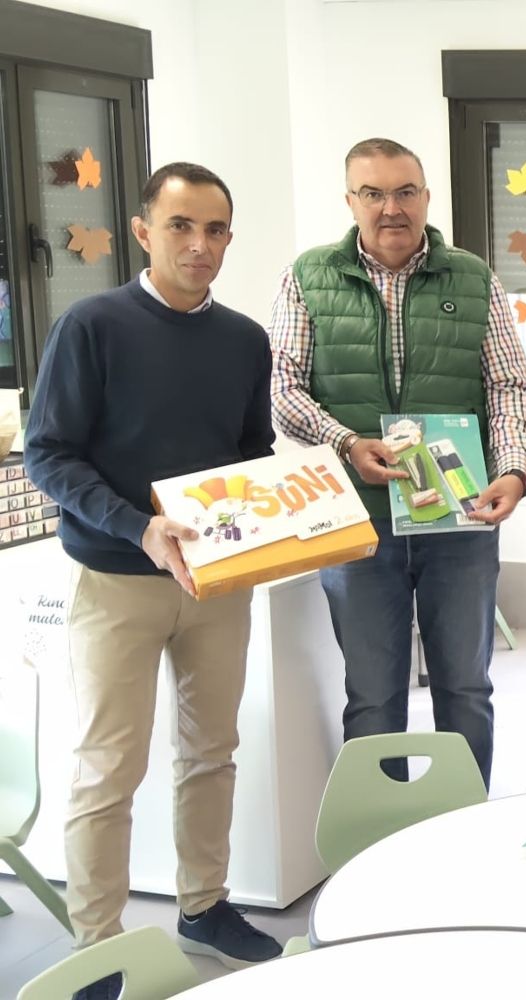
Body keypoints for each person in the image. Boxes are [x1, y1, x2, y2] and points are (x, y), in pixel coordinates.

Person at [24, 162, 283, 998]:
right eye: (181, 227)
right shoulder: (91, 326)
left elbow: (252, 456)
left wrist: (296, 510)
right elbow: (48, 454)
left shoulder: (245, 339)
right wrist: (137, 525)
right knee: (110, 766)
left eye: (214, 231)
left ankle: (203, 905)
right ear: (143, 231)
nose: (199, 246)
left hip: (216, 583)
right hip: (119, 581)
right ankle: (97, 943)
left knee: (211, 753)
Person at [268, 138, 526, 787]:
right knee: (373, 696)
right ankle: (379, 844)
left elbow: (507, 385)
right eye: (374, 193)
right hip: (356, 525)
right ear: (350, 201)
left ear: (426, 197)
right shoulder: (309, 278)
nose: (392, 208)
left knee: (466, 691)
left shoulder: (472, 278)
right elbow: (284, 387)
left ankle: (460, 831)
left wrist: (511, 468)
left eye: (405, 192)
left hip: (459, 514)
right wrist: (344, 442)